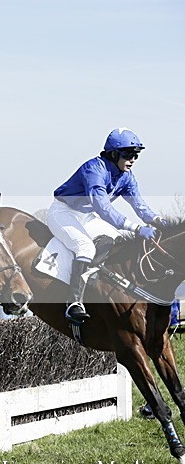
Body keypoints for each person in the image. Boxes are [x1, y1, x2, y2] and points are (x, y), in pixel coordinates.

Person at [48, 128, 165, 324]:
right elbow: (102, 208)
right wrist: (136, 228)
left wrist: (160, 221)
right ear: (113, 154)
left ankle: (93, 283)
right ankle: (73, 303)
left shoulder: (127, 176)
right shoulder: (94, 170)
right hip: (63, 212)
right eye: (128, 154)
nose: (133, 159)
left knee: (115, 240)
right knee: (85, 247)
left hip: (86, 216)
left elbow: (139, 205)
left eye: (136, 154)